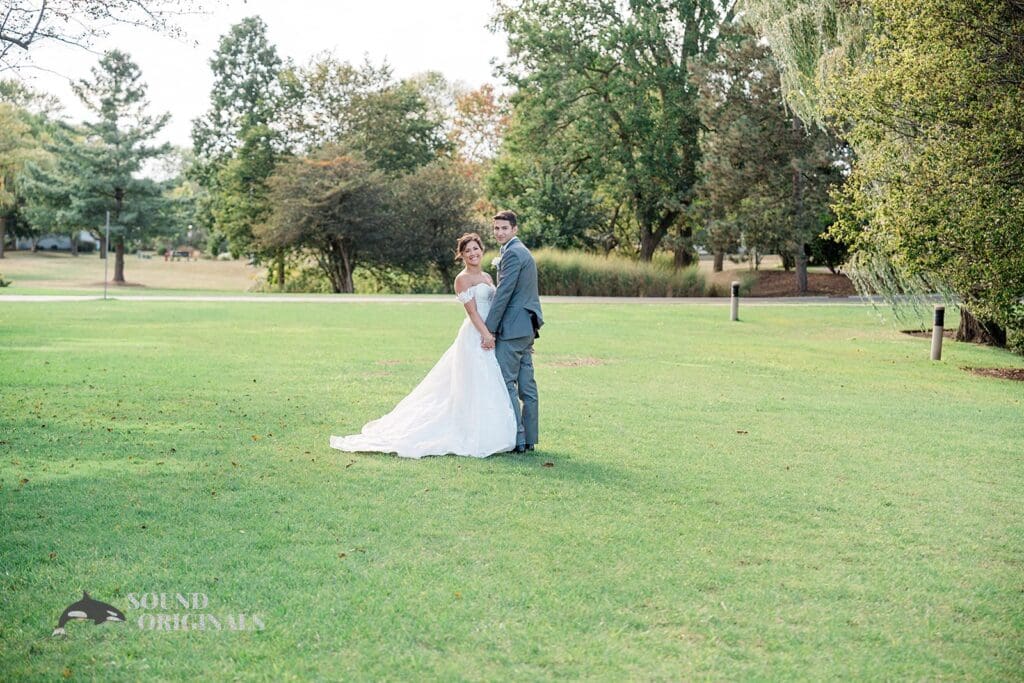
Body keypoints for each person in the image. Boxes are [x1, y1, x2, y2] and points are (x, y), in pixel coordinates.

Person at [329, 233, 516, 458]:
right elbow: (473, 312)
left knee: (488, 379)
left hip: (490, 333)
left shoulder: (487, 276)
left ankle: (489, 430)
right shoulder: (462, 279)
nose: (473, 254)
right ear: (462, 255)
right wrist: (485, 335)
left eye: (475, 249)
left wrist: (495, 332)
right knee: (474, 380)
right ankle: (470, 431)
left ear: (482, 250)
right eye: (467, 251)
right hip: (475, 334)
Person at [484, 210, 544, 453]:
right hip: (525, 328)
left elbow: (503, 294)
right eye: (496, 228)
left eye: (504, 228)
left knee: (506, 382)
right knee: (527, 386)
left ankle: (517, 439)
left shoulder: (512, 253)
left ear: (514, 229)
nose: (499, 232)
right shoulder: (520, 251)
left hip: (512, 329)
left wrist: (489, 329)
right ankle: (530, 438)